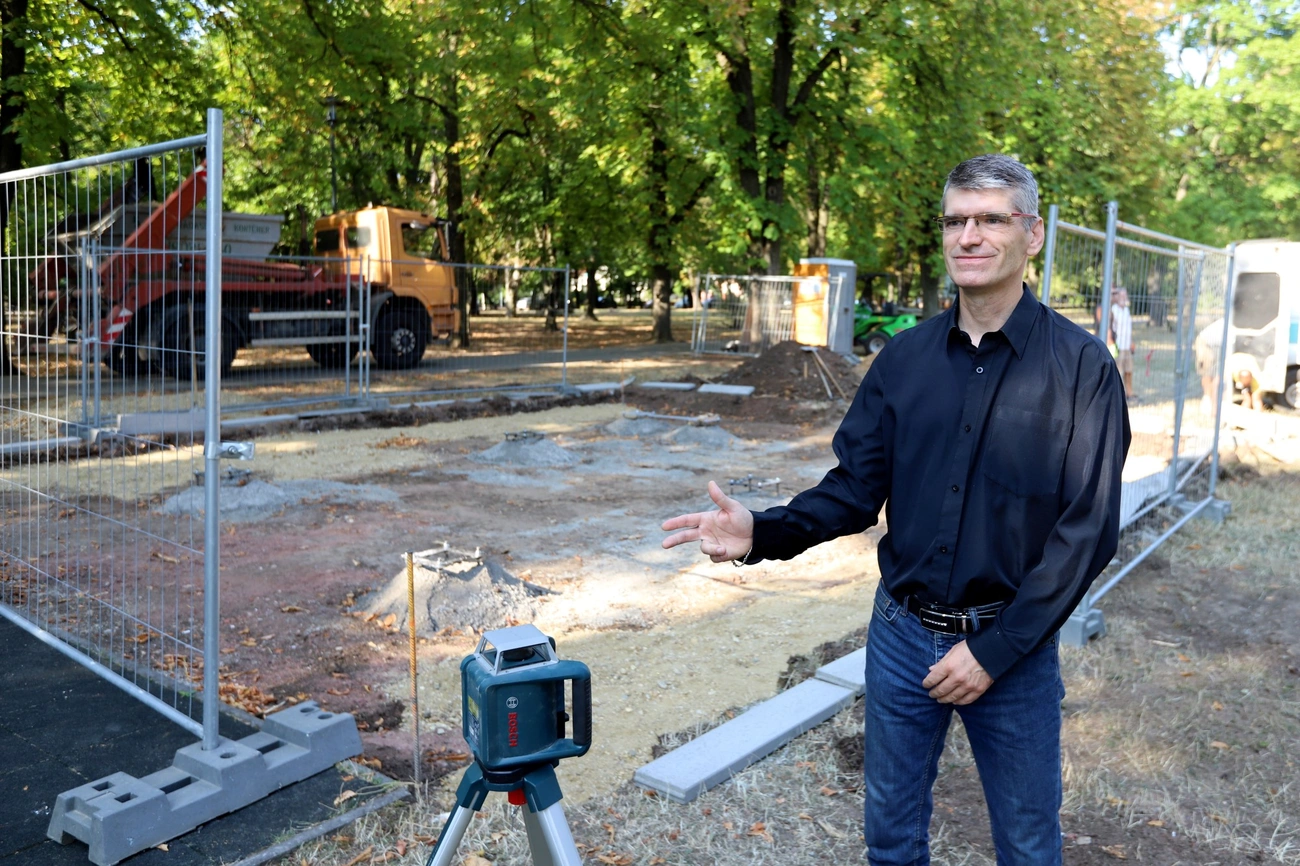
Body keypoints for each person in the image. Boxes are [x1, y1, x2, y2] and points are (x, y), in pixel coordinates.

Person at [661, 154, 1130, 865]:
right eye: (955, 221)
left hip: (1013, 644)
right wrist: (761, 530)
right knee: (890, 838)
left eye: (991, 219)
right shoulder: (903, 361)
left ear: (1031, 235)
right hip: (901, 636)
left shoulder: (1082, 369)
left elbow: (1087, 531)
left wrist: (993, 652)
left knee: (1029, 844)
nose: (968, 236)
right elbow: (853, 490)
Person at [1110, 287, 1135, 399]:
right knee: (1118, 371)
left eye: (1125, 295)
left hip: (1127, 345)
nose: (1123, 298)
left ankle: (1129, 393)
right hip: (1118, 345)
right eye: (1121, 295)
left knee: (1129, 370)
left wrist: (1131, 341)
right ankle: (1117, 395)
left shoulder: (1127, 310)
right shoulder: (1114, 310)